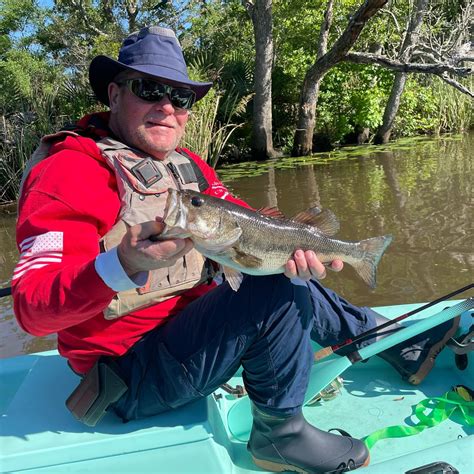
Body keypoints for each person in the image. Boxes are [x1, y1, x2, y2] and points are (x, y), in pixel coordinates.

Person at [12, 26, 459, 473]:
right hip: (129, 378)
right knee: (271, 294)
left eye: (181, 97)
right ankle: (278, 436)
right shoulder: (68, 174)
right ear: (114, 94)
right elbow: (31, 310)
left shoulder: (188, 168)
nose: (167, 107)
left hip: (190, 338)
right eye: (149, 89)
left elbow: (255, 226)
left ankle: (396, 343)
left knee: (278, 272)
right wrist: (121, 263)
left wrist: (298, 248)